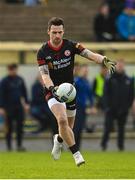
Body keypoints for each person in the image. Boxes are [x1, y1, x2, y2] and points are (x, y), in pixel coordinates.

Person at [37, 17, 116, 166]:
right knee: (62, 120)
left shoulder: (71, 45)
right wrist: (53, 89)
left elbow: (90, 54)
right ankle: (77, 154)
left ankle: (58, 139)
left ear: (63, 31)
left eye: (60, 32)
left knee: (68, 128)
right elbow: (45, 75)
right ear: (48, 32)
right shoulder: (42, 52)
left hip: (69, 91)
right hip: (52, 90)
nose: (57, 36)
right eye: (54, 32)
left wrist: (104, 59)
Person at [101, 59, 134, 151]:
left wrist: (127, 107)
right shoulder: (110, 78)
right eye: (119, 65)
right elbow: (105, 94)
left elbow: (131, 95)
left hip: (123, 110)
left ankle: (121, 146)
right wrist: (107, 107)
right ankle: (103, 145)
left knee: (121, 130)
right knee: (107, 128)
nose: (120, 66)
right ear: (115, 66)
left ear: (124, 66)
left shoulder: (128, 79)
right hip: (111, 109)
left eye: (122, 65)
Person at [0, 64, 29, 151]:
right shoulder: (4, 81)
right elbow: (1, 95)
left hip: (19, 107)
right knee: (9, 128)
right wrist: (1, 107)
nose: (13, 71)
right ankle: (9, 147)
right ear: (8, 70)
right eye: (11, 70)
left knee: (20, 127)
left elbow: (24, 92)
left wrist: (26, 104)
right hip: (8, 107)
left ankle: (19, 145)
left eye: (14, 69)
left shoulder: (20, 79)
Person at [73, 64, 96, 150]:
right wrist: (85, 107)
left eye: (87, 71)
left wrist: (92, 105)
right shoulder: (77, 81)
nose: (86, 72)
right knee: (76, 128)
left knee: (80, 129)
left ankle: (77, 148)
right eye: (84, 70)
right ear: (80, 71)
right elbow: (75, 96)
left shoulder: (87, 82)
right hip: (78, 108)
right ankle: (73, 148)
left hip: (84, 109)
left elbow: (90, 95)